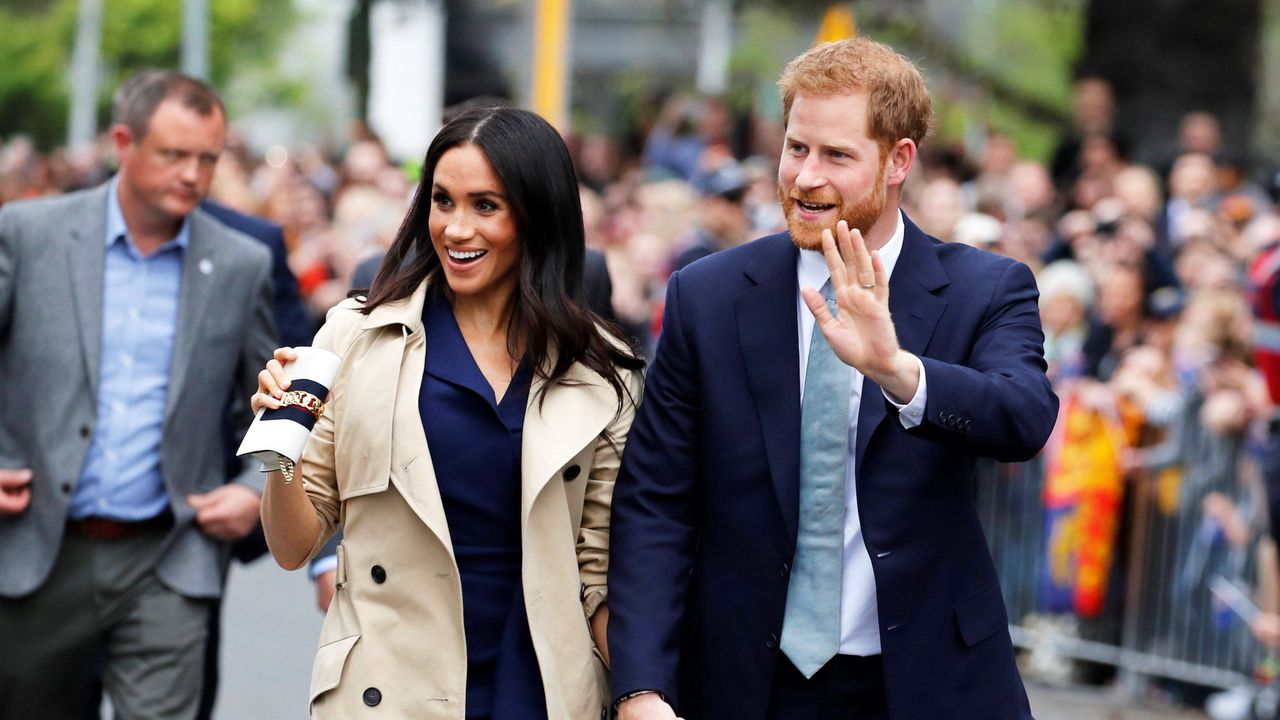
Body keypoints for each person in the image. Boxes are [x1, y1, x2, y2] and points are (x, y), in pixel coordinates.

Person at [607, 38, 1058, 720]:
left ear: (899, 159)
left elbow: (1023, 416)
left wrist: (898, 372)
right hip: (744, 681)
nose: (806, 178)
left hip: (926, 682)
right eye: (796, 149)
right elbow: (655, 503)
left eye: (837, 156)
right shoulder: (709, 295)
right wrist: (640, 687)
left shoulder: (983, 288)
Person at [254, 107, 643, 718]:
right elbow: (294, 545)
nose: (457, 229)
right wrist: (281, 445)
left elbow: (599, 570)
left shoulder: (602, 368)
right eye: (442, 201)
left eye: (486, 205)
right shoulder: (355, 336)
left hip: (544, 688)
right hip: (390, 687)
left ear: (536, 215)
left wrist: (643, 691)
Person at [0, 70, 275, 719]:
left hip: (167, 558)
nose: (192, 174)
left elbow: (282, 402)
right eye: (173, 154)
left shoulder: (240, 263)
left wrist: (256, 489)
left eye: (207, 159)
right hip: (38, 548)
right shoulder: (30, 234)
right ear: (124, 143)